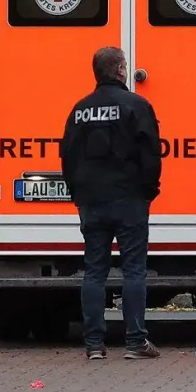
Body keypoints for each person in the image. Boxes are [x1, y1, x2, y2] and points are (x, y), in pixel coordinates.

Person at [60, 47, 163, 361]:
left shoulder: (79, 110)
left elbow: (68, 155)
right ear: (119, 70)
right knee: (134, 270)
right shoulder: (137, 106)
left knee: (94, 271)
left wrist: (78, 191)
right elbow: (151, 153)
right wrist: (149, 189)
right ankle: (135, 342)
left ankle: (94, 345)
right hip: (129, 198)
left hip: (92, 200)